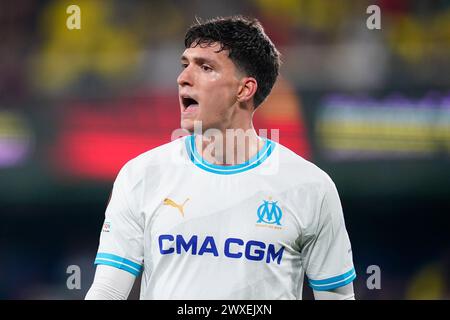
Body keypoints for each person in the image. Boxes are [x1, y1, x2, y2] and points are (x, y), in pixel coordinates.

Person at [85, 16, 356, 300]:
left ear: (244, 89)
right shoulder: (141, 174)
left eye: (205, 67)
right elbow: (108, 291)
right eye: (184, 65)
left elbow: (337, 296)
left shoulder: (311, 186)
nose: (183, 78)